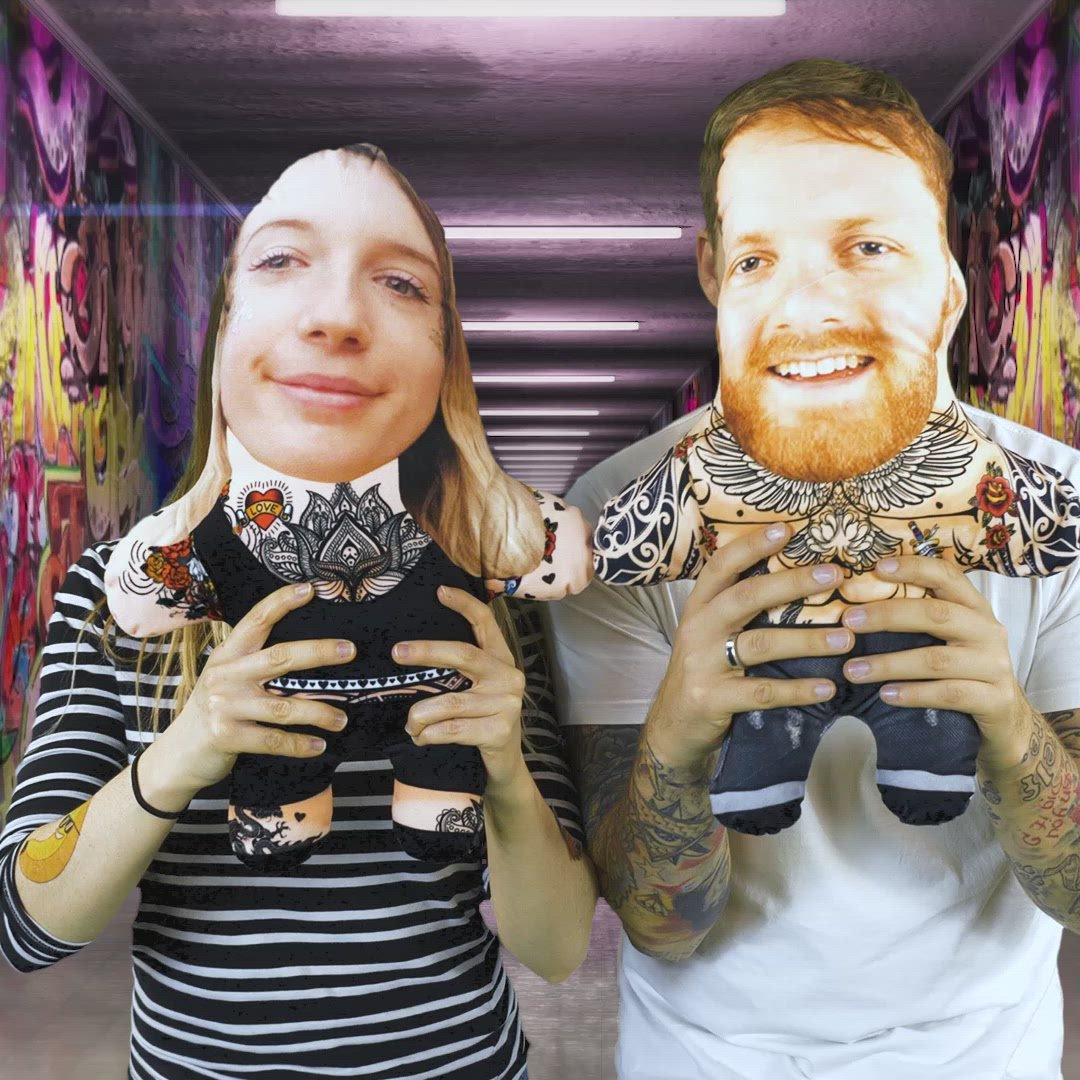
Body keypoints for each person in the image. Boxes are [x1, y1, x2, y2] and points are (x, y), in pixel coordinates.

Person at [0, 144, 597, 1080]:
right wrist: (193, 743)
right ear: (224, 323)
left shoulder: (478, 589)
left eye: (400, 283)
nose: (337, 317)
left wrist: (507, 775)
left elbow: (557, 949)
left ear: (443, 358)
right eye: (281, 260)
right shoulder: (118, 593)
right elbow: (29, 926)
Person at [548, 59, 1080, 1080]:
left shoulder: (1043, 503)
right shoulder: (629, 511)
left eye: (868, 247)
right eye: (759, 259)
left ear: (951, 280)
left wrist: (1008, 727)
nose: (809, 305)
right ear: (713, 275)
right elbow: (661, 923)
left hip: (983, 1056)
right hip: (703, 1059)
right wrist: (679, 736)